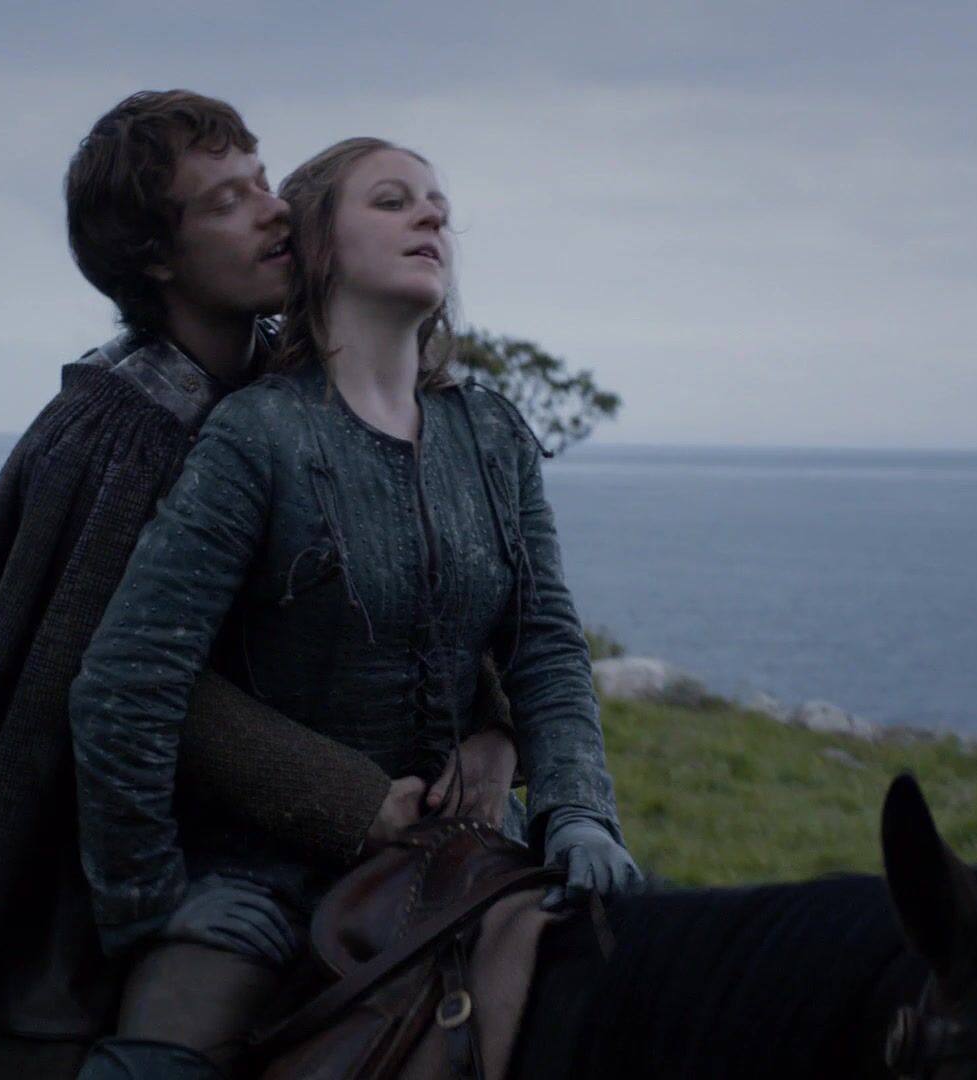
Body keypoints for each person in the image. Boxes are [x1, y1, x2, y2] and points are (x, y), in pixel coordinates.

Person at [0, 92, 520, 1080]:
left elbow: (415, 591)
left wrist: (494, 723)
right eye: (228, 202)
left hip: (299, 832)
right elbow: (124, 675)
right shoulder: (118, 435)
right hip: (93, 841)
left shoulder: (301, 395)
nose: (276, 210)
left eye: (262, 180)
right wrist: (343, 801)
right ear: (157, 259)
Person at [70, 136, 643, 1078]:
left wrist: (578, 813)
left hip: (470, 862)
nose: (432, 215)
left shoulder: (492, 435)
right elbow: (128, 681)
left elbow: (543, 644)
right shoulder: (256, 435)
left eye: (436, 202)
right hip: (264, 879)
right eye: (391, 200)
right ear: (319, 244)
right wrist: (150, 903)